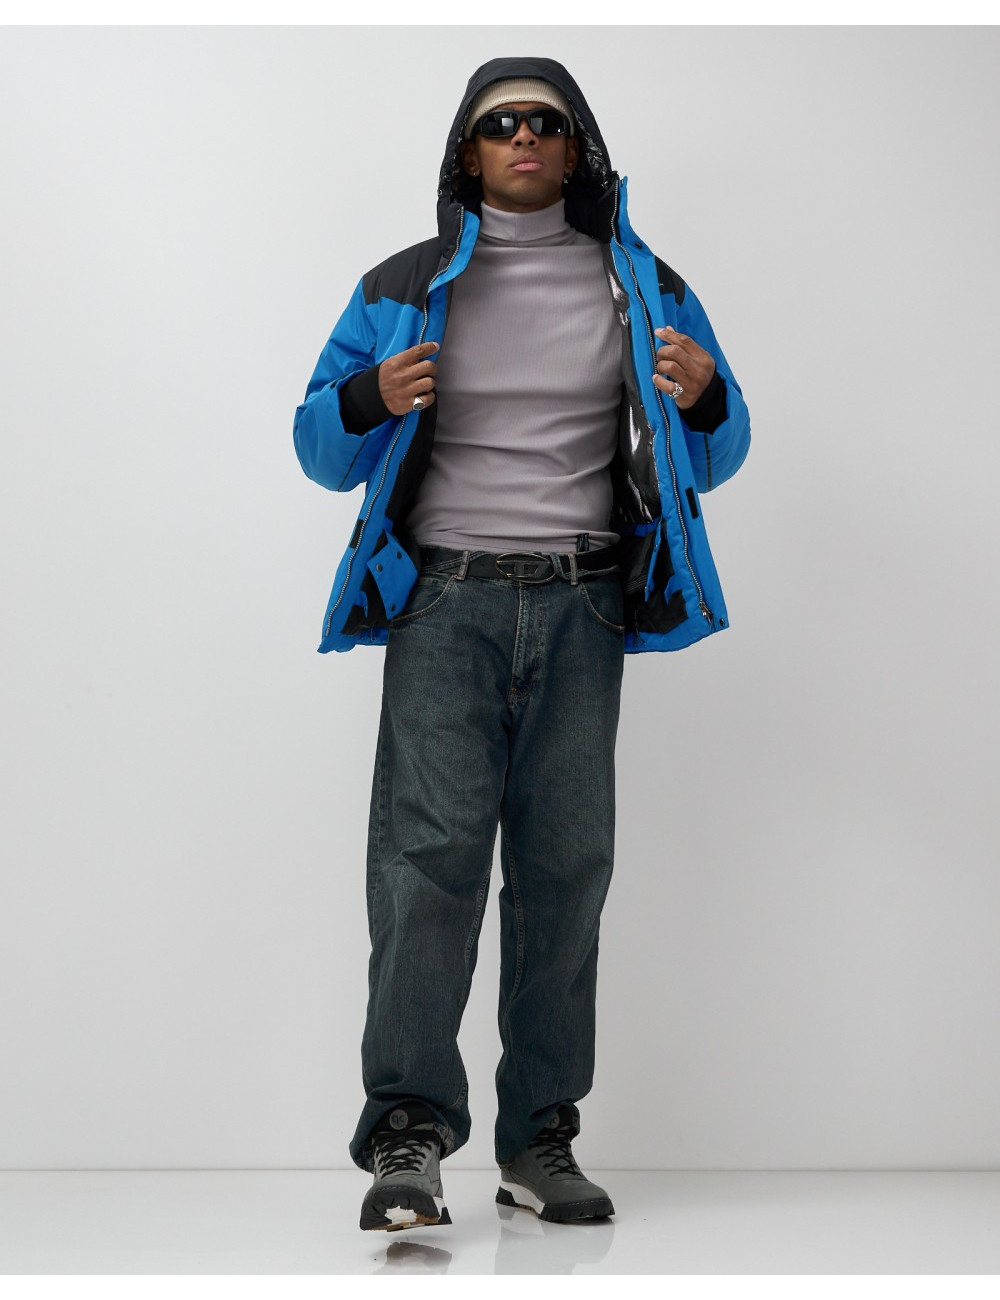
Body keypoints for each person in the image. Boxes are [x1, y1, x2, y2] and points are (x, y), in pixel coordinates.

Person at [292, 56, 750, 1233]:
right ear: (469, 151)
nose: (525, 138)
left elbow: (719, 449)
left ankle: (538, 1138)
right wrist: (367, 399)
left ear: (577, 146)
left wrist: (706, 396)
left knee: (564, 872)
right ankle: (407, 1134)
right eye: (502, 125)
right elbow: (316, 446)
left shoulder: (643, 284)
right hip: (444, 603)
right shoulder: (403, 285)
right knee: (426, 866)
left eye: (547, 122)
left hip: (584, 603)